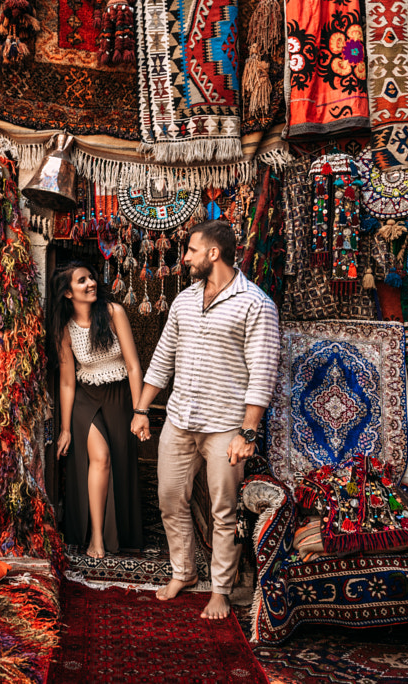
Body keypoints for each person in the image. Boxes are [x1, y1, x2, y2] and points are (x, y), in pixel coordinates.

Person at [130, 220, 280, 619]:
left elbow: (263, 372)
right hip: (180, 420)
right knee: (169, 499)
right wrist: (142, 408)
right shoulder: (183, 300)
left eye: (191, 250)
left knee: (223, 511)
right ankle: (183, 572)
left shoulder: (256, 304)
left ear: (214, 253)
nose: (185, 257)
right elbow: (162, 358)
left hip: (226, 427)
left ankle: (221, 589)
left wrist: (247, 433)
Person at [50, 261, 144, 559]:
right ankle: (96, 538)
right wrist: (65, 428)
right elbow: (66, 382)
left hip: (119, 397)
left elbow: (132, 366)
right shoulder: (65, 330)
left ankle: (116, 534)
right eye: (82, 281)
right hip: (84, 399)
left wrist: (140, 411)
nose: (90, 283)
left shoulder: (114, 313)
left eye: (91, 277)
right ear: (67, 293)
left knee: (118, 461)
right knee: (99, 459)